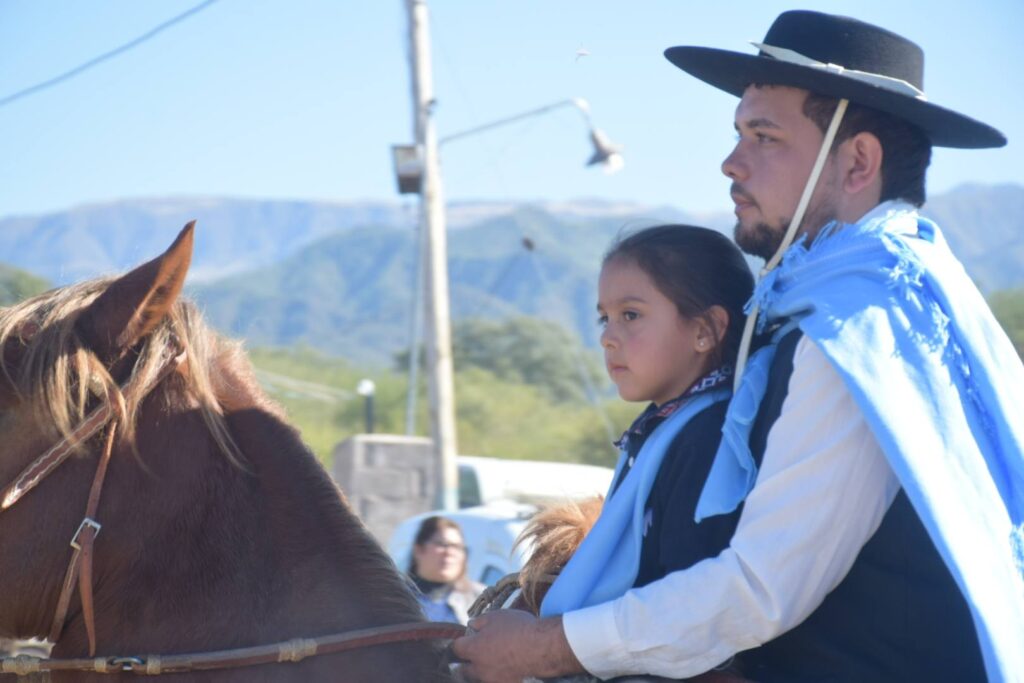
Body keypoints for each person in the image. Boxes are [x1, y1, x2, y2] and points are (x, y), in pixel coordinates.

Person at [453, 10, 1024, 683]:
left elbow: (760, 587)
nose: (731, 162)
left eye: (764, 136)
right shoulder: (877, 297)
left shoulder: (860, 328)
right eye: (739, 134)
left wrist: (546, 647)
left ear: (858, 162)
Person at [538, 225, 753, 618]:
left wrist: (548, 643)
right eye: (604, 318)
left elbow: (686, 608)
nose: (607, 337)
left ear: (705, 330)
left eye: (630, 315)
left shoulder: (712, 438)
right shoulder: (661, 430)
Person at [408, 516, 483, 625]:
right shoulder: (396, 599)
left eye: (457, 547)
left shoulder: (481, 599)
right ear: (418, 550)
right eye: (442, 544)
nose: (449, 552)